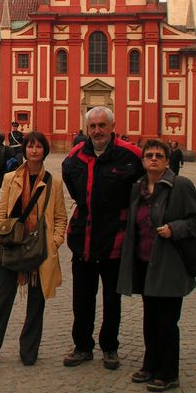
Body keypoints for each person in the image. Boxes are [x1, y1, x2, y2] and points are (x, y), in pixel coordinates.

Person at [0, 131, 68, 368]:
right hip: (12, 246)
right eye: (30, 146)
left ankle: (29, 351)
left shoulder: (53, 182)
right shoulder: (11, 179)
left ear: (44, 151)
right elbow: (1, 213)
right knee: (0, 301)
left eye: (39, 147)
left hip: (40, 249)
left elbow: (61, 217)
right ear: (24, 150)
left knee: (36, 303)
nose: (34, 151)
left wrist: (54, 242)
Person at [116, 139, 196, 393]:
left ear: (168, 160)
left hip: (170, 264)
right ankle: (150, 364)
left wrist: (174, 229)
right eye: (149, 155)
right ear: (143, 160)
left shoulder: (180, 186)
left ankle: (168, 373)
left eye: (159, 155)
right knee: (150, 318)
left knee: (167, 320)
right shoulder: (138, 188)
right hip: (145, 263)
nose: (153, 159)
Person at [61, 106, 144, 370]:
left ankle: (110, 347)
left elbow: (143, 188)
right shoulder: (75, 157)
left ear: (112, 126)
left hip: (115, 240)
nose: (97, 131)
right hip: (83, 239)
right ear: (87, 129)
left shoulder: (131, 156)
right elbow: (73, 186)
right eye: (93, 126)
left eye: (102, 126)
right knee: (82, 298)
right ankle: (82, 346)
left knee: (112, 299)